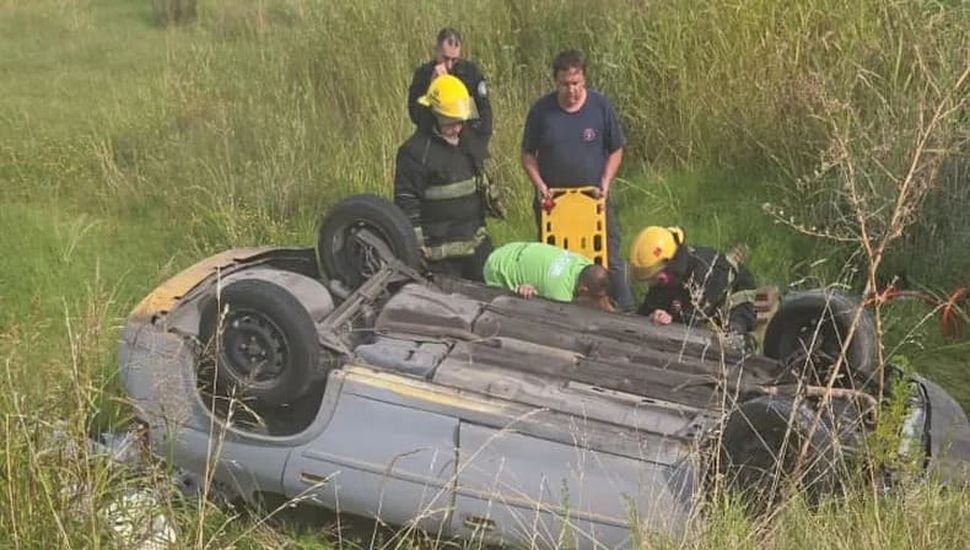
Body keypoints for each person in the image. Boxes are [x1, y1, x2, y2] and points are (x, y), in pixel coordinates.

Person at [520, 48, 635, 312]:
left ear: (584, 80)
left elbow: (616, 149)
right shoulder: (541, 111)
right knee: (555, 260)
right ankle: (557, 308)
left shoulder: (600, 107)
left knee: (610, 256)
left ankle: (626, 310)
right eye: (565, 84)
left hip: (593, 199)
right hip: (554, 203)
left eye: (576, 83)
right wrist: (540, 185)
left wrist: (605, 182)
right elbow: (527, 154)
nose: (571, 90)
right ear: (555, 81)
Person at [394, 75, 492, 281]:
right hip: (439, 258)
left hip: (475, 247)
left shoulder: (468, 141)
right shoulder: (415, 153)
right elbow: (407, 203)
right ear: (434, 114)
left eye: (460, 122)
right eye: (449, 122)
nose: (456, 128)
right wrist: (416, 250)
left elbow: (485, 120)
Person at [629, 226, 757, 336]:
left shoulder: (704, 272)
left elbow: (691, 322)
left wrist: (671, 318)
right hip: (703, 302)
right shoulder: (671, 273)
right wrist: (653, 314)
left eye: (655, 278)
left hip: (734, 303)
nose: (655, 282)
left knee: (730, 339)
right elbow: (646, 310)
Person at [408, 27, 492, 153]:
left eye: (454, 59)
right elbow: (415, 115)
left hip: (466, 143)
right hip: (433, 143)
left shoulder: (470, 74)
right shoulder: (423, 75)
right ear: (436, 51)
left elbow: (485, 115)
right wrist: (432, 88)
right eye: (445, 58)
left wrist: (477, 148)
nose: (449, 65)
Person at [483, 241, 613, 311]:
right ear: (583, 290)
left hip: (512, 247)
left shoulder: (585, 263)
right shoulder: (559, 295)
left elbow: (602, 298)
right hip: (498, 267)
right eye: (595, 298)